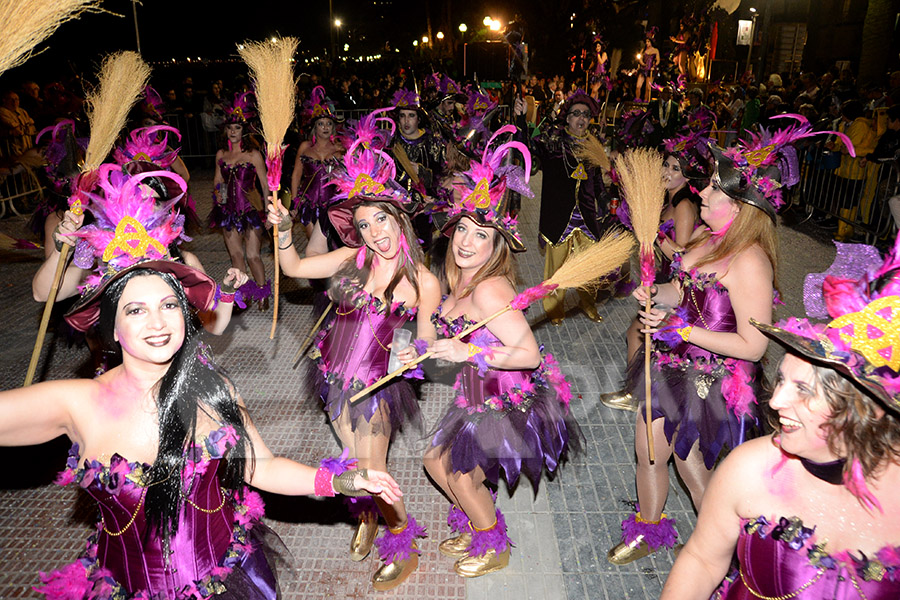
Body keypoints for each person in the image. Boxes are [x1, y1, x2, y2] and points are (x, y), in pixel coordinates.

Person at [3, 171, 401, 600]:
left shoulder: (215, 389)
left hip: (223, 580)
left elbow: (260, 467)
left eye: (169, 304)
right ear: (111, 329)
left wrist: (342, 482)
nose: (157, 323)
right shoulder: (74, 401)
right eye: (135, 310)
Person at [660, 238, 900, 599]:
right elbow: (702, 560)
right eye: (782, 380)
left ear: (867, 408)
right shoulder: (749, 467)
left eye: (803, 390)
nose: (774, 402)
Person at [268, 144, 441, 591]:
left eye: (380, 218)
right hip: (331, 376)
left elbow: (427, 336)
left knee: (373, 471)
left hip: (375, 388)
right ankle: (364, 514)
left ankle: (404, 542)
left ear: (399, 217)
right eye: (362, 224)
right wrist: (285, 230)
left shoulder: (423, 280)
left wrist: (414, 352)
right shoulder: (353, 259)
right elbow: (295, 266)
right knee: (352, 462)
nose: (372, 231)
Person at [607, 133, 786, 565]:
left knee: (689, 464)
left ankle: (727, 554)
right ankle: (651, 528)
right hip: (675, 362)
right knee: (651, 448)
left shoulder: (750, 260)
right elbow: (682, 290)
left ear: (741, 207)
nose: (701, 191)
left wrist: (683, 332)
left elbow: (754, 345)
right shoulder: (709, 237)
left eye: (712, 190)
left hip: (713, 378)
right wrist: (656, 295)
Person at [422, 128, 581, 577]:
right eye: (464, 231)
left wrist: (467, 352)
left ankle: (495, 545)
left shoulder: (490, 289)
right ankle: (477, 522)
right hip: (476, 388)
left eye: (481, 236)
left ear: (497, 245)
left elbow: (528, 354)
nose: (466, 243)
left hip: (505, 396)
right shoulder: (460, 275)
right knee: (434, 461)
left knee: (456, 471)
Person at [33, 165, 245, 338]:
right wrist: (62, 250)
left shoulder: (184, 261)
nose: (141, 208)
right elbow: (43, 294)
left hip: (180, 372)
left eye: (150, 202)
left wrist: (226, 291)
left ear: (165, 212)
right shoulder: (102, 261)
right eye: (133, 198)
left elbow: (214, 327)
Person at [602, 131, 710, 412]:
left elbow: (683, 257)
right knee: (640, 335)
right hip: (658, 279)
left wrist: (654, 234)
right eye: (667, 164)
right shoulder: (668, 201)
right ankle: (643, 393)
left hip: (671, 283)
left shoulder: (684, 206)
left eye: (676, 169)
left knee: (638, 334)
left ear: (687, 177)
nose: (667, 172)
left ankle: (635, 395)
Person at [514, 89, 617, 324]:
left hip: (588, 217)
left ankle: (588, 303)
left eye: (585, 114)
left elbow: (598, 180)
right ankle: (554, 308)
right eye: (576, 114)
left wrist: (606, 200)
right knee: (556, 268)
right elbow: (526, 148)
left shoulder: (595, 145)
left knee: (588, 266)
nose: (581, 119)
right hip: (559, 216)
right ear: (567, 118)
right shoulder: (552, 142)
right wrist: (520, 119)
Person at [207, 91, 272, 309]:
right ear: (225, 130)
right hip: (228, 213)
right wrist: (220, 199)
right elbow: (218, 181)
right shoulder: (221, 154)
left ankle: (263, 292)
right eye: (230, 127)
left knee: (253, 255)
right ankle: (244, 292)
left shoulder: (253, 154)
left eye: (238, 128)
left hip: (251, 212)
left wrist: (269, 211)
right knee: (236, 256)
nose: (233, 131)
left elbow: (264, 184)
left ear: (244, 131)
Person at [386, 88, 445, 253]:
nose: (406, 120)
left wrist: (421, 171)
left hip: (422, 205)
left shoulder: (431, 143)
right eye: (403, 115)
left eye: (411, 115)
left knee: (423, 246)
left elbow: (440, 175)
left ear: (419, 119)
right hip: (397, 204)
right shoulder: (391, 142)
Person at [290, 86, 345, 257]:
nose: (325, 127)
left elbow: (350, 176)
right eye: (321, 124)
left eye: (329, 123)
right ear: (314, 127)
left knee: (334, 246)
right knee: (315, 249)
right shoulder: (305, 147)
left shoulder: (340, 149)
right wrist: (294, 202)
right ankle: (319, 282)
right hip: (309, 204)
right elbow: (296, 175)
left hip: (334, 204)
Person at [636, 28, 660, 104]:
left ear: (651, 42)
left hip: (651, 70)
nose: (647, 43)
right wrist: (642, 63)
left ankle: (646, 101)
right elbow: (639, 57)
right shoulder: (643, 50)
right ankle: (637, 99)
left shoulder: (655, 50)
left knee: (648, 88)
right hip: (643, 69)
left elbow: (658, 60)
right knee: (638, 86)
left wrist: (654, 66)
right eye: (646, 42)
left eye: (648, 41)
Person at [587, 35, 610, 100]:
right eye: (596, 46)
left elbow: (601, 62)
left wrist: (598, 54)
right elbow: (593, 62)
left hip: (601, 75)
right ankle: (594, 104)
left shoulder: (604, 54)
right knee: (594, 91)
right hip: (595, 74)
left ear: (601, 47)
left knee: (594, 90)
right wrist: (588, 69)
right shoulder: (596, 55)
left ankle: (590, 103)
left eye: (599, 46)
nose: (597, 48)